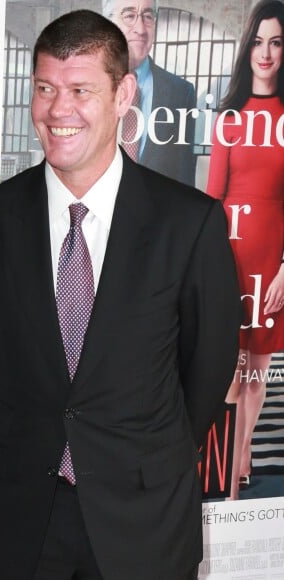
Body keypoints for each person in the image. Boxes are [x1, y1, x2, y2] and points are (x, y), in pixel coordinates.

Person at [0, 9, 240, 580]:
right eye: (45, 89)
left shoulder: (190, 224)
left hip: (145, 519)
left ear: (122, 93)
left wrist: (143, 451)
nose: (59, 110)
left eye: (80, 90)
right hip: (25, 516)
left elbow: (206, 368)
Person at [206, 0, 284, 500]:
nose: (266, 52)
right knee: (229, 377)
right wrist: (209, 269)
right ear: (247, 47)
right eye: (258, 41)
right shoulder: (229, 115)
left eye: (276, 42)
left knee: (257, 374)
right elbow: (212, 197)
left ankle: (238, 466)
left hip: (272, 267)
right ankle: (231, 469)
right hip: (228, 260)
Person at [103, 0, 197, 186]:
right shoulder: (84, 85)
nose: (140, 29)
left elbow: (183, 183)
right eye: (129, 16)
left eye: (148, 16)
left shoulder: (181, 93)